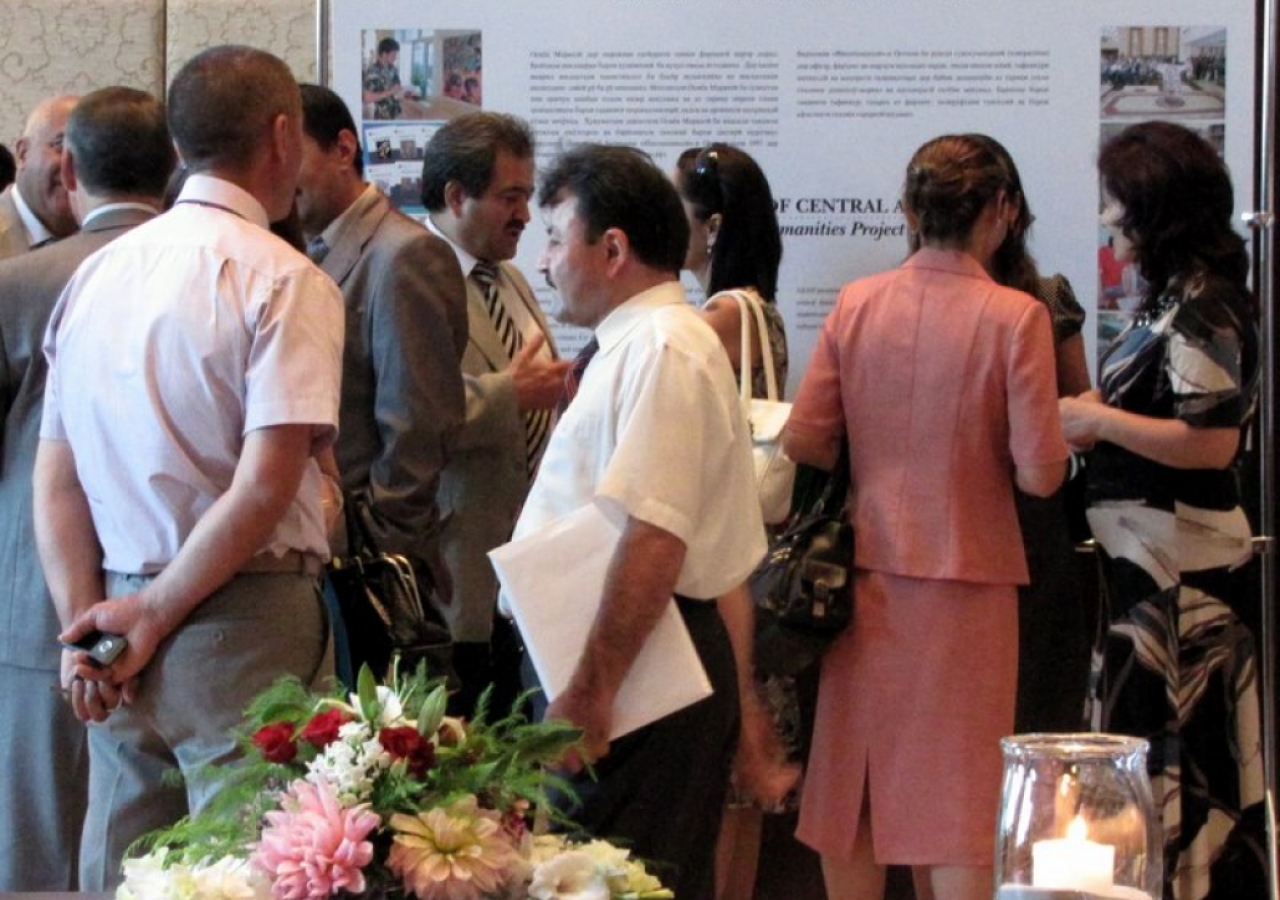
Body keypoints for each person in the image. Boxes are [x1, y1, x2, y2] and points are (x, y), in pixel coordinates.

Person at [33, 45, 343, 890]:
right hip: (241, 610)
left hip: (108, 610)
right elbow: (268, 482)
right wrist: (158, 614)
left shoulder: (98, 273)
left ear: (179, 145)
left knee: (125, 864)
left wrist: (85, 629)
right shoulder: (285, 277)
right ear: (283, 136)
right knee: (253, 862)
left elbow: (54, 477)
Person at [783, 133, 1068, 900]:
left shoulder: (857, 302)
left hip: (861, 577)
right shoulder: (1016, 317)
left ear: (908, 209)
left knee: (857, 788)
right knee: (959, 795)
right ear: (1002, 213)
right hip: (969, 585)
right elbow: (1042, 475)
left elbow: (806, 439)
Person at [515, 143, 766, 900]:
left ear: (613, 248)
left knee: (622, 880)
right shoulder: (638, 346)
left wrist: (591, 691)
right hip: (620, 660)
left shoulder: (664, 348)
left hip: (644, 670)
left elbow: (653, 537)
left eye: (557, 238)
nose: (546, 261)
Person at [1059, 120, 1266, 900]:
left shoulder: (1207, 305)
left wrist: (1099, 420)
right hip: (1147, 580)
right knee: (1147, 759)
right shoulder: (1172, 299)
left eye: (1118, 204)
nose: (1109, 220)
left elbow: (1210, 442)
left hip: (1185, 589)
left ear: (1155, 207)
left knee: (1181, 762)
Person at [0, 86, 173, 892]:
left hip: (38, 599)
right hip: (183, 591)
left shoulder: (20, 286)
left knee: (38, 835)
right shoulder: (223, 270)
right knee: (160, 835)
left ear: (68, 169)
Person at [295, 84, 467, 659]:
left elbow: (419, 425)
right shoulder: (311, 250)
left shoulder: (403, 254)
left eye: (292, 155)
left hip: (373, 565)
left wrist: (380, 547)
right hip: (329, 556)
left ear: (344, 148)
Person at [673, 142, 798, 900]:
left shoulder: (721, 315)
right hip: (757, 554)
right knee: (740, 794)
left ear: (710, 225)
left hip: (724, 556)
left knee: (722, 783)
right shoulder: (760, 309)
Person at [939, 134, 1092, 735]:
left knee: (1032, 687)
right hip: (971, 509)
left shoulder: (1046, 296)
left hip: (1030, 516)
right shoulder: (911, 294)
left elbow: (1074, 409)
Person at [422, 112, 570, 715]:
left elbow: (534, 383)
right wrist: (509, 394)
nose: (526, 215)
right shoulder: (413, 274)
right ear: (458, 196)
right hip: (456, 575)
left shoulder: (509, 278)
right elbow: (407, 415)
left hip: (529, 575)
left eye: (528, 197)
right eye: (511, 197)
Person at [0, 95, 78, 260]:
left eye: (90, 152)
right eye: (61, 146)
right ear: (23, 153)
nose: (77, 165)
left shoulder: (115, 242)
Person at [363, 37, 404, 120]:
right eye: (393, 55)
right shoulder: (372, 71)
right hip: (383, 116)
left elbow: (397, 85)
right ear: (384, 54)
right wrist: (390, 92)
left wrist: (399, 90)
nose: (395, 58)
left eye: (396, 55)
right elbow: (367, 98)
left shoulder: (393, 68)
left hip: (396, 113)